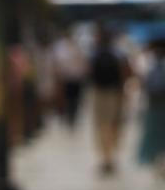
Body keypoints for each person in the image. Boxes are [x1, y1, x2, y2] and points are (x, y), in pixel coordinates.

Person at [89, 22, 133, 176]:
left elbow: (89, 73)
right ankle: (110, 157)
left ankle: (106, 158)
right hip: (115, 93)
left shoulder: (94, 53)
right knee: (114, 125)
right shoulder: (119, 53)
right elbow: (127, 73)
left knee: (102, 126)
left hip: (100, 93)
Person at [137, 36, 165, 181]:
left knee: (155, 136)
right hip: (155, 106)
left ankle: (158, 164)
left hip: (155, 106)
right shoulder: (149, 65)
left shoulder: (149, 64)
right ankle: (159, 164)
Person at [50, 28, 86, 129]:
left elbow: (83, 63)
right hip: (65, 79)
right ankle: (68, 117)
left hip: (76, 79)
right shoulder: (60, 46)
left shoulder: (78, 47)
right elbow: (56, 63)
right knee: (67, 99)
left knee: (76, 100)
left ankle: (73, 117)